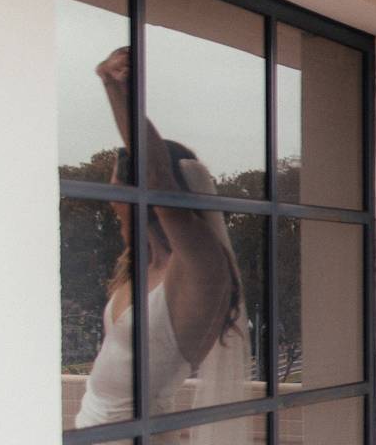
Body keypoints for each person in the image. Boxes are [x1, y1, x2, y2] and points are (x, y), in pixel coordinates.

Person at [75, 47, 250, 444]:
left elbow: (156, 176)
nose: (111, 192)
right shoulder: (143, 263)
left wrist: (114, 86)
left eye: (119, 180)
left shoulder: (197, 268)